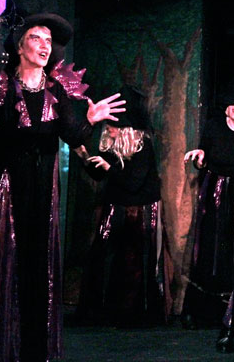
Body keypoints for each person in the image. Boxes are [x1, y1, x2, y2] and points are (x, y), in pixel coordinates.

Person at [0, 11, 125, 362]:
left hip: (42, 196)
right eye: (36, 38)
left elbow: (73, 136)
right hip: (7, 193)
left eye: (49, 40)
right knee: (4, 264)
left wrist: (90, 123)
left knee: (37, 271)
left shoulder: (55, 91)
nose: (45, 45)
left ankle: (33, 351)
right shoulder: (0, 89)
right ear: (19, 47)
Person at [75, 84, 171, 328]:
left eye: (114, 126)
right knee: (103, 255)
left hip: (141, 210)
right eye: (109, 125)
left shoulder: (143, 146)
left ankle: (135, 314)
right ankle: (99, 311)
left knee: (134, 262)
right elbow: (100, 175)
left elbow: (134, 183)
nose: (109, 129)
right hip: (116, 206)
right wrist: (85, 156)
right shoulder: (112, 145)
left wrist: (110, 168)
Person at [181, 52, 234, 353]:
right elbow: (203, 155)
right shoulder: (214, 126)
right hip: (216, 193)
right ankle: (203, 311)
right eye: (230, 104)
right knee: (212, 250)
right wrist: (200, 158)